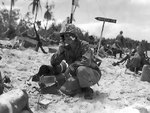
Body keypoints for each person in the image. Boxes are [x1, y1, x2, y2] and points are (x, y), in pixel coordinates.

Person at [32, 31, 101, 99]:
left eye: (70, 35)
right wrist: (59, 51)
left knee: (81, 70)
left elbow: (86, 62)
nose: (68, 37)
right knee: (65, 89)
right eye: (65, 35)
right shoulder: (66, 49)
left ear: (75, 36)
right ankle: (81, 88)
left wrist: (72, 65)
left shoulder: (84, 45)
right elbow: (53, 63)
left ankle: (87, 88)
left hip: (92, 74)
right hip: (76, 75)